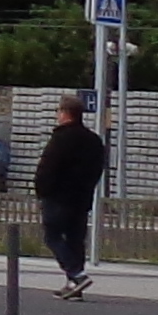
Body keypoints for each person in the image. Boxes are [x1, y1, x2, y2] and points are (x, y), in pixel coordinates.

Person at [31, 90, 109, 298]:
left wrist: (41, 190)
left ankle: (77, 275)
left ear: (65, 113)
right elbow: (98, 168)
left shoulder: (61, 138)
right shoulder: (93, 140)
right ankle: (73, 285)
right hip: (82, 197)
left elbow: (48, 168)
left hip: (58, 197)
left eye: (58, 111)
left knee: (53, 237)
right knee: (75, 240)